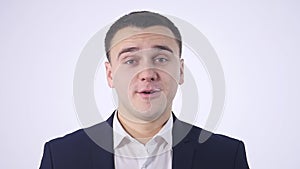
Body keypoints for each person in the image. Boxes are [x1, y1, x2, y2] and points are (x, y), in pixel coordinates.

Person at [40, 11, 249, 169]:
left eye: (161, 59)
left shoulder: (226, 156)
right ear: (110, 74)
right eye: (131, 60)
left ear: (181, 71)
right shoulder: (60, 156)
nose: (147, 73)